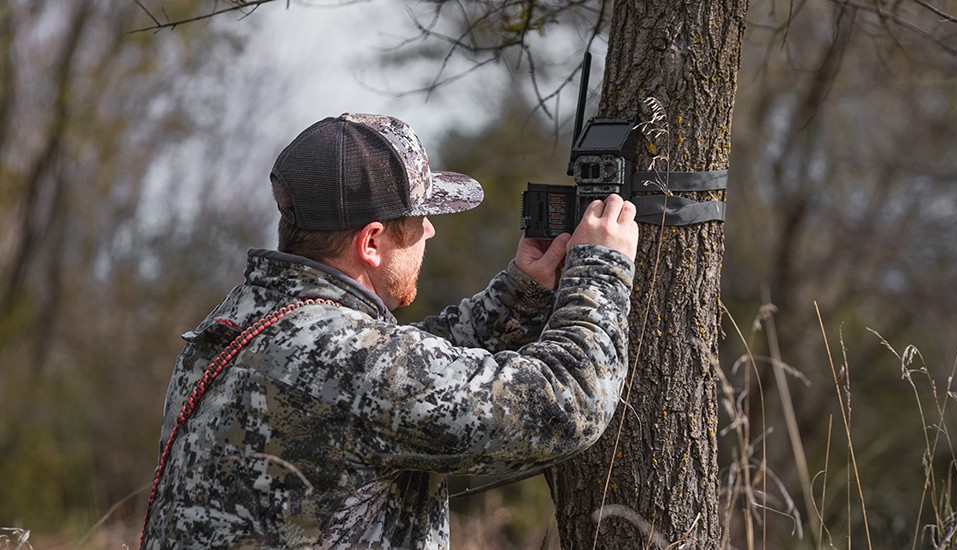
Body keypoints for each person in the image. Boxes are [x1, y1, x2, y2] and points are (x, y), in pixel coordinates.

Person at [141, 113, 638, 549]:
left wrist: (519, 296)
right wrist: (601, 267)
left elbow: (384, 382)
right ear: (372, 242)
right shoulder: (351, 361)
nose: (430, 231)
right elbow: (569, 401)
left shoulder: (242, 321)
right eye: (419, 218)